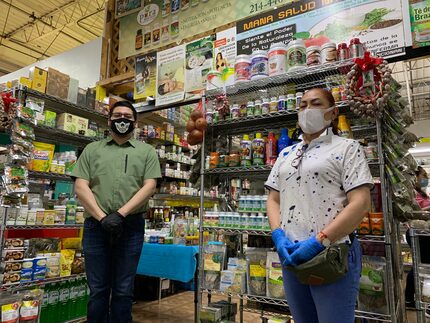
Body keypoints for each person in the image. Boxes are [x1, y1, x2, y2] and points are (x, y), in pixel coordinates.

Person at [265, 88, 373, 323]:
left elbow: (361, 202)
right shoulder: (285, 154)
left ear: (332, 113)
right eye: (302, 105)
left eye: (315, 104)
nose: (307, 110)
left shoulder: (347, 148)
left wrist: (320, 240)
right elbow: (273, 199)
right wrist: (278, 236)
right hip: (291, 255)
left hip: (332, 254)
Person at [72, 101, 161, 323]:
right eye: (118, 115)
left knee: (123, 289)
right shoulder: (92, 149)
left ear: (135, 123)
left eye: (127, 117)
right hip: (95, 226)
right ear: (109, 120)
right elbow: (80, 186)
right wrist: (103, 217)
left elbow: (149, 186)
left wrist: (120, 214)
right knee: (98, 288)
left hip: (130, 226)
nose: (123, 120)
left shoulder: (147, 151)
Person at [405, 166, 430, 311]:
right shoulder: (412, 193)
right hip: (417, 234)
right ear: (415, 177)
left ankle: (412, 299)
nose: (426, 178)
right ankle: (410, 299)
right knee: (420, 266)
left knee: (420, 266)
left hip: (424, 233)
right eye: (424, 175)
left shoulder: (423, 193)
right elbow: (413, 212)